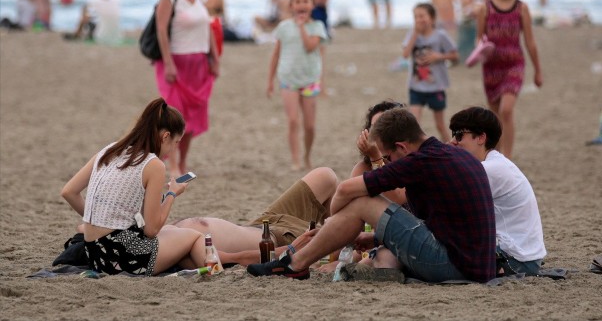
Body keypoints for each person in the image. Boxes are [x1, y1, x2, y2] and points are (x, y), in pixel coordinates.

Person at [247, 108, 496, 283]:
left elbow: (345, 189)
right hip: (479, 266)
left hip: (455, 267)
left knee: (363, 201)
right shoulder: (454, 155)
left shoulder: (420, 162)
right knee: (364, 209)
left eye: (387, 157)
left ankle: (295, 264)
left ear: (401, 147)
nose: (388, 163)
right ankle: (297, 261)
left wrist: (336, 222)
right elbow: (442, 224)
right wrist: (376, 236)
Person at [60, 98, 207, 275]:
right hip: (122, 257)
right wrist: (172, 194)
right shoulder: (153, 164)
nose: (173, 149)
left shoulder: (109, 150)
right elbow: (151, 230)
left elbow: (68, 192)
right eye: (176, 143)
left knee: (173, 232)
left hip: (93, 253)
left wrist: (100, 218)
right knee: (195, 236)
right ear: (165, 136)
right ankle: (214, 272)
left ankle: (202, 267)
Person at [449, 107, 546, 275]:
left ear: (481, 137)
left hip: (515, 262)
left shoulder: (490, 169)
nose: (453, 141)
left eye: (459, 135)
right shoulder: (496, 163)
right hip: (523, 258)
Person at [173, 167, 338, 265]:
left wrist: (170, 194)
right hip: (273, 238)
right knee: (336, 239)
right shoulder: (157, 253)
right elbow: (235, 259)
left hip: (263, 223)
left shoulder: (156, 233)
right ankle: (338, 245)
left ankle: (335, 238)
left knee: (325, 175)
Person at [154, 0, 219, 177]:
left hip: (199, 62)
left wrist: (214, 57)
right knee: (175, 116)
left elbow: (209, 26)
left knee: (194, 116)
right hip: (177, 62)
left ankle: (182, 163)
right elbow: (161, 30)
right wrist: (169, 63)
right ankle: (171, 165)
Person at [476, 0, 543, 159]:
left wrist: (538, 70)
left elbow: (530, 41)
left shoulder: (522, 8)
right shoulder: (484, 8)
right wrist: (480, 51)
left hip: (514, 65)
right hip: (491, 67)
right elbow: (479, 39)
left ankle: (508, 158)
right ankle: (495, 156)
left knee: (506, 110)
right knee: (495, 116)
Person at [267, 0, 329, 171]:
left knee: (309, 125)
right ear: (291, 5)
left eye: (305, 1)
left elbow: (311, 46)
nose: (302, 5)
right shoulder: (284, 27)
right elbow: (276, 54)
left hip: (310, 80)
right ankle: (295, 159)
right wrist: (270, 80)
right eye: (298, 1)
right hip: (288, 80)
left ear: (312, 5)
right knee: (293, 121)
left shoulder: (317, 26)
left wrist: (302, 27)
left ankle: (307, 156)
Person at [401, 3, 459, 142]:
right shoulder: (412, 34)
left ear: (432, 18)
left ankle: (451, 150)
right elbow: (405, 54)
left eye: (422, 16)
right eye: (415, 17)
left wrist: (438, 56)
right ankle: (415, 153)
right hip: (416, 87)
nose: (419, 19)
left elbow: (455, 56)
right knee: (413, 124)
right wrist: (415, 33)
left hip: (436, 87)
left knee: (440, 125)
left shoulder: (440, 35)